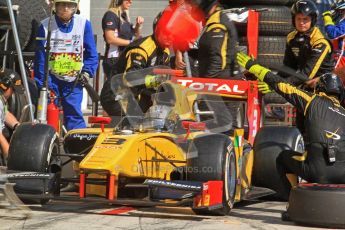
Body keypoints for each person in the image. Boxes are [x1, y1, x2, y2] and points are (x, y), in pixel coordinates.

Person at [237, 51, 345, 202]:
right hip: (343, 175)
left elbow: (281, 85)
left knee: (283, 157)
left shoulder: (312, 100)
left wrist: (255, 67)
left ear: (319, 89)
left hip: (317, 172)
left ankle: (292, 202)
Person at [34, 0, 98, 131]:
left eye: (69, 5)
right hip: (51, 80)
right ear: (56, 6)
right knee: (46, 116)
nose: (65, 8)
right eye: (62, 4)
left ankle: (76, 146)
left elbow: (92, 54)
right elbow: (40, 59)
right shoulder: (45, 26)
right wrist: (43, 84)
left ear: (75, 7)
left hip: (74, 81)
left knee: (74, 116)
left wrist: (86, 73)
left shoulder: (83, 24)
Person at [100, 12, 171, 116]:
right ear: (157, 29)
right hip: (116, 95)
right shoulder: (141, 49)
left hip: (138, 95)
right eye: (167, 32)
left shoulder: (166, 51)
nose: (170, 36)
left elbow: (165, 78)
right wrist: (157, 80)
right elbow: (131, 79)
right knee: (132, 127)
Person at [282, 0, 334, 88]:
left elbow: (307, 74)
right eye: (298, 18)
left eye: (305, 19)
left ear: (312, 20)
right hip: (305, 83)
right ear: (293, 20)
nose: (301, 23)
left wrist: (277, 84)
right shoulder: (291, 37)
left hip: (324, 86)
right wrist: (271, 79)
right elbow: (288, 68)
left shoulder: (321, 42)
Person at [192, 0, 238, 79]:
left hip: (221, 80)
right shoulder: (216, 20)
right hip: (219, 78)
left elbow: (218, 61)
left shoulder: (217, 24)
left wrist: (206, 82)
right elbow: (208, 50)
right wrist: (188, 53)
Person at [102, 0, 144, 80]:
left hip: (124, 59)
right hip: (114, 60)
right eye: (127, 0)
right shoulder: (110, 15)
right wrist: (131, 43)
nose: (130, 1)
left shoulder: (124, 16)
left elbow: (136, 37)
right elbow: (110, 39)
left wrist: (138, 25)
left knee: (123, 90)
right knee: (112, 90)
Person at [0, 70, 22, 162]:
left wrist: (17, 126)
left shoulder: (1, 100)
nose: (13, 93)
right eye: (12, 89)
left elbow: (5, 114)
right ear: (5, 86)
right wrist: (10, 159)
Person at [323, 0, 345, 77]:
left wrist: (328, 20)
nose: (338, 13)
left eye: (340, 11)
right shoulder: (342, 23)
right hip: (338, 56)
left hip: (342, 59)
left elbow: (333, 34)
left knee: (333, 81)